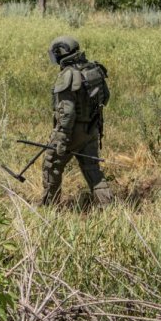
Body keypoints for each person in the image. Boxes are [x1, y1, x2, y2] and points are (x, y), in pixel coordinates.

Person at [40, 36, 114, 206]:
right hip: (91, 129)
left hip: (72, 131)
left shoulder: (68, 75)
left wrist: (61, 139)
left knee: (52, 165)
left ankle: (49, 206)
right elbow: (105, 97)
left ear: (60, 53)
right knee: (92, 168)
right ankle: (108, 206)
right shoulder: (94, 68)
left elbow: (66, 113)